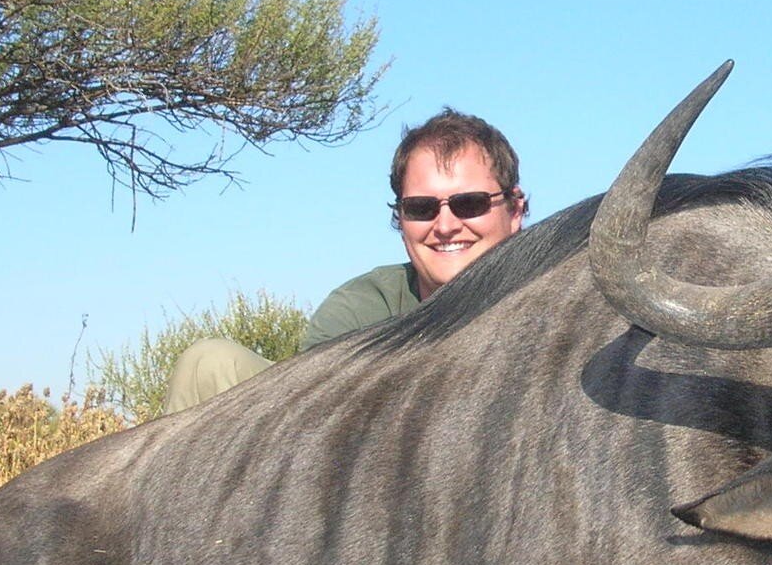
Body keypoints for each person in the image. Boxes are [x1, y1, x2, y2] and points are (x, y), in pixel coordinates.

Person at [160, 109, 526, 414]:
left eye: (469, 204)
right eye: (421, 208)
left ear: (515, 210)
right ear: (400, 220)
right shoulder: (358, 310)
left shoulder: (559, 298)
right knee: (207, 365)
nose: (445, 226)